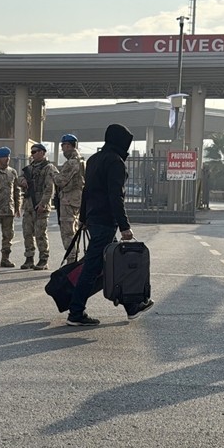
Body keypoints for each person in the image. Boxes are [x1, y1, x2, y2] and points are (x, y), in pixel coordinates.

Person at [66, 123, 155, 327]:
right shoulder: (115, 162)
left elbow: (86, 191)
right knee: (92, 268)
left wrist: (83, 218)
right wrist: (124, 226)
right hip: (106, 221)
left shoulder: (94, 159)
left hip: (94, 219)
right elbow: (115, 196)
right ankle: (76, 312)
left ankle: (132, 307)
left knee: (114, 264)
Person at [17, 143, 59, 270]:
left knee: (40, 233)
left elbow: (49, 188)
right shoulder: (30, 168)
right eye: (32, 152)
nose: (32, 154)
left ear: (42, 152)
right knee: (27, 232)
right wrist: (22, 181)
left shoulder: (49, 168)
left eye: (35, 152)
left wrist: (43, 203)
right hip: (29, 205)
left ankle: (43, 259)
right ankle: (29, 258)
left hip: (41, 205)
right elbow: (19, 179)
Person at [55, 134, 85, 264]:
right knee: (73, 230)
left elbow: (60, 181)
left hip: (68, 200)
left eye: (63, 146)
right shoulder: (82, 161)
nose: (62, 149)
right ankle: (73, 258)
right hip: (76, 200)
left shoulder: (72, 162)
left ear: (69, 145)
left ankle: (71, 261)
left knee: (67, 232)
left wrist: (53, 173)